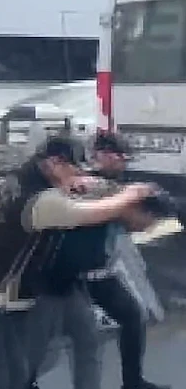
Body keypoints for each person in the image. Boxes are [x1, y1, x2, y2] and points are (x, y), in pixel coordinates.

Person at [0, 136, 155, 389]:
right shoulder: (42, 200)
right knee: (14, 375)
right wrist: (133, 194)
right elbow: (92, 213)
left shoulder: (11, 177)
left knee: (22, 371)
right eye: (75, 169)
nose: (79, 176)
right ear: (55, 163)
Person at [86, 133, 169, 389]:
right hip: (74, 274)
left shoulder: (115, 184)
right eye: (120, 158)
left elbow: (131, 221)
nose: (123, 164)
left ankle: (132, 382)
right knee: (55, 339)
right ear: (102, 155)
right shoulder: (87, 183)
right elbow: (130, 216)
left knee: (133, 317)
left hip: (101, 272)